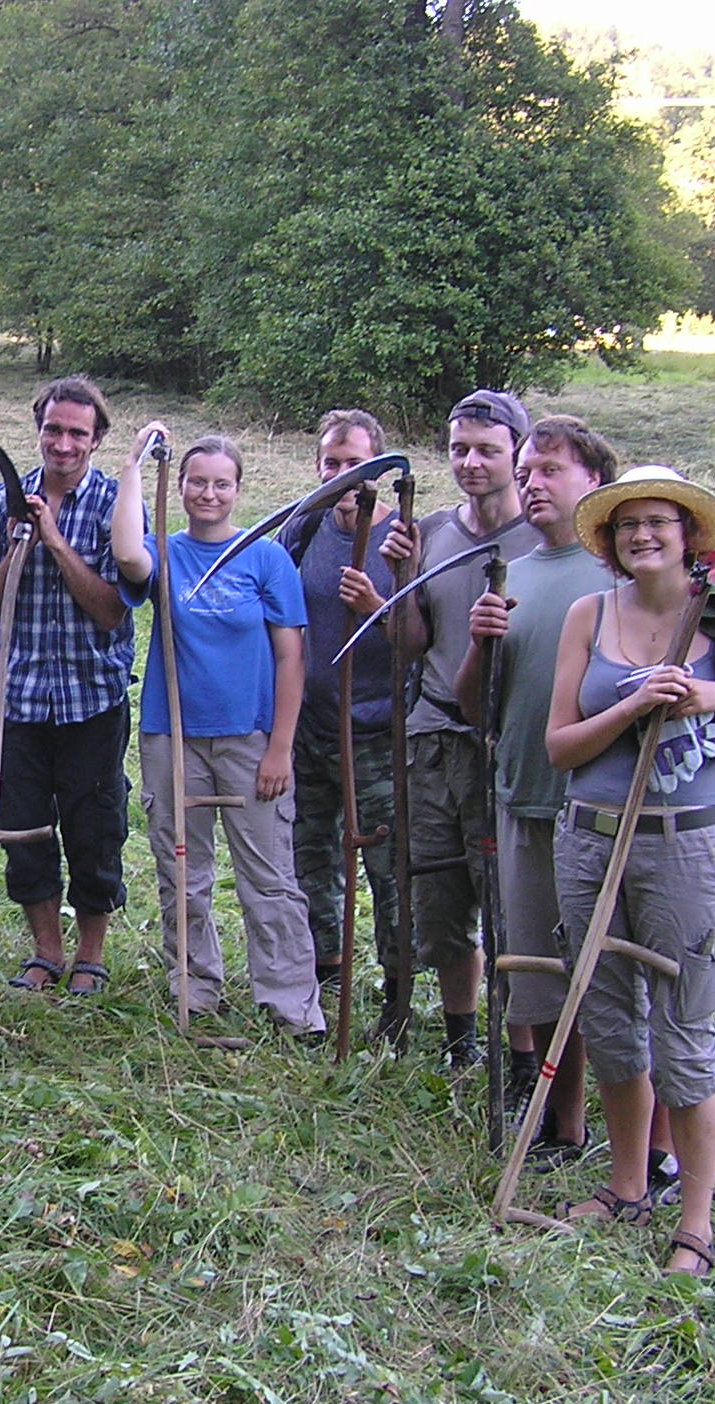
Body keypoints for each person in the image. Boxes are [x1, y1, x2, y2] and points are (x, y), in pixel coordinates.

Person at [545, 465, 715, 1276]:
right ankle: (625, 1186)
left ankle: (696, 1224)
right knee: (607, 1018)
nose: (644, 536)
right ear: (610, 542)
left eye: (659, 524)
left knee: (686, 1030)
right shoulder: (588, 612)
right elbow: (561, 746)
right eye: (628, 525)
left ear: (688, 537)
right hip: (592, 836)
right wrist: (632, 707)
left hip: (685, 845)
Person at [454, 416, 679, 1188]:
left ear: (593, 486)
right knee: (546, 972)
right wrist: (481, 644)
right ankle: (566, 1119)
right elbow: (474, 709)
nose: (531, 482)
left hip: (605, 809)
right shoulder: (512, 574)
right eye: (527, 470)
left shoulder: (617, 582)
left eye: (549, 469)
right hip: (523, 796)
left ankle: (653, 1139)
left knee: (616, 979)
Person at [110, 422, 324, 1039]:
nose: (208, 494)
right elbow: (126, 553)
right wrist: (131, 464)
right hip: (171, 733)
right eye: (197, 483)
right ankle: (195, 985)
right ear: (178, 486)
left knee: (268, 874)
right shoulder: (165, 551)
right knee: (183, 868)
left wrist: (279, 746)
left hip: (250, 737)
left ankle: (289, 1002)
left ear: (237, 490)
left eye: (221, 484)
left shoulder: (264, 556)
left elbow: (291, 657)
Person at [380, 389, 544, 1064]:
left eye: (487, 450)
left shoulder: (540, 539)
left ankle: (524, 1052)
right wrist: (402, 578)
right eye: (458, 450)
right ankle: (460, 1039)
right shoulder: (437, 533)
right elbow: (410, 642)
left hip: (508, 746)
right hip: (433, 736)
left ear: (518, 456)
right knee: (441, 901)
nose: (471, 463)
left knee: (509, 903)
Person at [0, 375, 131, 996]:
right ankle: (45, 951)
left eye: (76, 433)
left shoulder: (116, 506)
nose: (62, 444)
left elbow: (112, 611)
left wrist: (56, 544)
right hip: (21, 698)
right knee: (25, 827)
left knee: (96, 825)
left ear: (97, 439)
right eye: (52, 430)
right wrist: (18, 551)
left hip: (93, 697)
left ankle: (90, 953)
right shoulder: (1, 502)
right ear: (38, 431)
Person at [288, 409, 403, 1033]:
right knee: (311, 855)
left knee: (387, 869)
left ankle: (396, 994)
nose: (340, 475)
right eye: (330, 463)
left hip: (378, 732)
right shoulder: (303, 530)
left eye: (354, 464)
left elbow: (422, 637)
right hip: (310, 725)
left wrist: (377, 606)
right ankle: (326, 971)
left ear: (378, 469)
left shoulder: (404, 538)